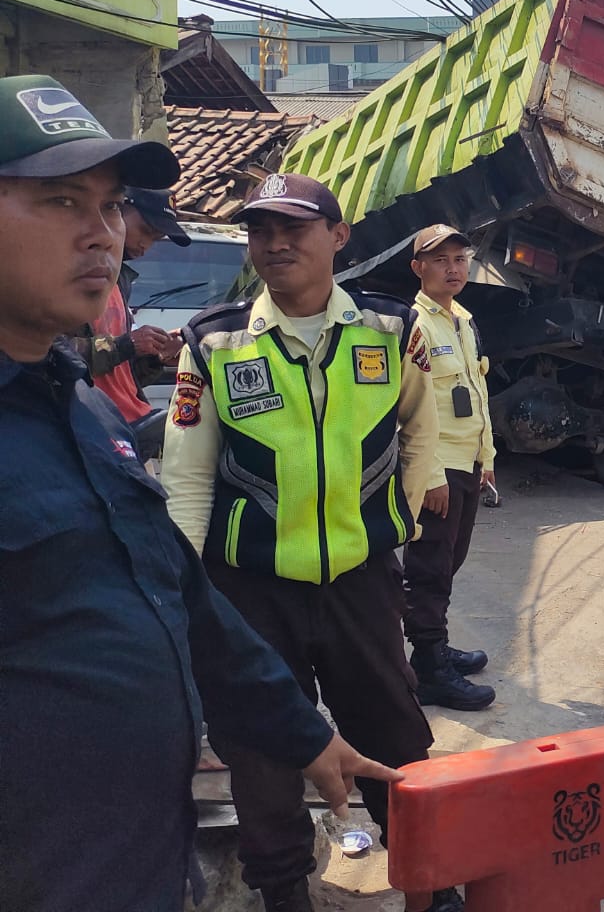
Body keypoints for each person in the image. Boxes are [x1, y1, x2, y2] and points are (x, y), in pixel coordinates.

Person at [0, 76, 399, 912]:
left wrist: (305, 733)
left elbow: (174, 591)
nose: (103, 234)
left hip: (141, 856)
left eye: (111, 206)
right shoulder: (214, 344)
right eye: (62, 201)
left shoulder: (75, 407)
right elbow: (187, 483)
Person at [163, 175, 457, 912]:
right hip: (249, 588)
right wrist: (186, 589)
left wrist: (399, 520)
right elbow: (188, 475)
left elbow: (421, 427)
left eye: (293, 228)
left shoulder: (390, 329)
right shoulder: (215, 341)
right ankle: (284, 894)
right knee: (261, 750)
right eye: (261, 231)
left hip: (361, 578)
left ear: (338, 236)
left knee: (394, 732)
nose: (275, 244)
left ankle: (430, 883)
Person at [403, 224, 496, 712]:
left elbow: (477, 393)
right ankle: (429, 667)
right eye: (440, 260)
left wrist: (488, 459)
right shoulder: (414, 326)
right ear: (418, 268)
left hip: (469, 462)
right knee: (429, 569)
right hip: (437, 470)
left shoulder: (463, 319)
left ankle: (435, 647)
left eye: (460, 259)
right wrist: (432, 474)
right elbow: (412, 409)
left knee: (450, 561)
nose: (453, 269)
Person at [67, 187, 188, 457]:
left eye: (155, 239)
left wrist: (154, 357)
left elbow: (119, 376)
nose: (146, 245)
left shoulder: (120, 280)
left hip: (133, 426)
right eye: (145, 230)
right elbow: (54, 355)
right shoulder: (66, 275)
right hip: (90, 430)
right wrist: (126, 345)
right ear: (116, 210)